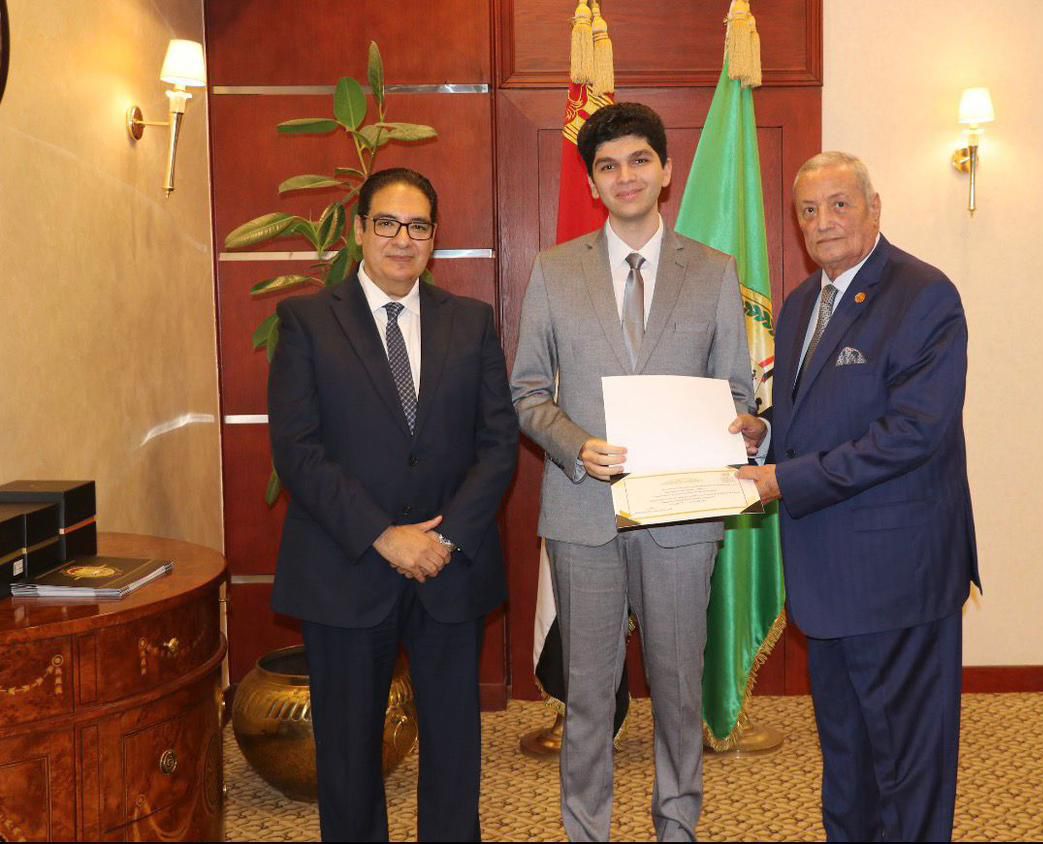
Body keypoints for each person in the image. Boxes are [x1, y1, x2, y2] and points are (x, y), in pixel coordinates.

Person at [510, 102, 756, 842]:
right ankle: (587, 831)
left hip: (682, 516)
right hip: (583, 511)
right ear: (592, 182)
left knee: (678, 691)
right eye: (609, 165)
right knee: (588, 695)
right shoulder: (554, 271)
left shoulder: (713, 272)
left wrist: (742, 427)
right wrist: (575, 444)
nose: (626, 176)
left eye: (640, 160)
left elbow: (736, 392)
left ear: (666, 171)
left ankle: (677, 826)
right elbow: (527, 393)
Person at [268, 167, 519, 842]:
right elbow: (297, 449)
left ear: (434, 238)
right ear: (359, 231)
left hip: (450, 568)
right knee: (349, 757)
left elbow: (498, 443)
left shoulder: (470, 322)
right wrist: (385, 535)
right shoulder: (306, 321)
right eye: (387, 223)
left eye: (418, 226)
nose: (402, 239)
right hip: (346, 566)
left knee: (454, 750)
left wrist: (446, 539)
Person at [737, 152, 981, 842]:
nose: (824, 222)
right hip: (827, 578)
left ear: (875, 208)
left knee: (907, 765)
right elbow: (815, 415)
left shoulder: (923, 294)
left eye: (840, 204)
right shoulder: (799, 306)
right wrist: (766, 434)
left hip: (898, 577)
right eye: (809, 210)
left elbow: (914, 433)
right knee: (847, 758)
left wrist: (786, 480)